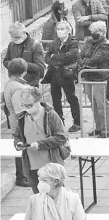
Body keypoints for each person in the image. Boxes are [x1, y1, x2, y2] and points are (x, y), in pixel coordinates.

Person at [13, 87, 68, 194]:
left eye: (29, 105)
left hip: (51, 167)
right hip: (32, 166)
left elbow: (61, 137)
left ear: (38, 100)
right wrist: (18, 144)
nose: (27, 108)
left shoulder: (50, 115)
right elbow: (17, 136)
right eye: (23, 105)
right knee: (39, 200)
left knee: (57, 199)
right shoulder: (22, 118)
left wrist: (40, 144)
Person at [43, 21, 80, 132]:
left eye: (62, 29)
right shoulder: (55, 42)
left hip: (66, 74)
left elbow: (70, 57)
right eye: (58, 29)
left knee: (71, 98)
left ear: (68, 30)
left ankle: (77, 123)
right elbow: (47, 58)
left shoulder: (73, 42)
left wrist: (56, 57)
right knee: (56, 99)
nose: (59, 31)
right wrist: (57, 60)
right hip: (54, 74)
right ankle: (60, 122)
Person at [79, 21, 109, 138]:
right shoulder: (89, 41)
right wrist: (86, 61)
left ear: (103, 32)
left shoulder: (105, 44)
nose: (93, 34)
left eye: (95, 32)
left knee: (102, 105)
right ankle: (98, 127)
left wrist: (85, 61)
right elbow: (81, 55)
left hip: (100, 78)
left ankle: (106, 129)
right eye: (92, 31)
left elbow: (95, 59)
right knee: (93, 105)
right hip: (88, 77)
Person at [2, 58, 31, 187]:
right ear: (23, 71)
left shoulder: (10, 84)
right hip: (21, 123)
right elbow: (21, 110)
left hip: (15, 121)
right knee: (22, 147)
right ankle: (22, 176)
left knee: (21, 146)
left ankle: (23, 175)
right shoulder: (18, 87)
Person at [3, 22, 45, 88]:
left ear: (24, 32)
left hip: (30, 85)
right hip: (14, 84)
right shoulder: (11, 44)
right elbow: (5, 61)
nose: (14, 40)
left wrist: (22, 65)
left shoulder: (35, 45)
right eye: (12, 38)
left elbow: (41, 68)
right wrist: (13, 65)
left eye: (17, 37)